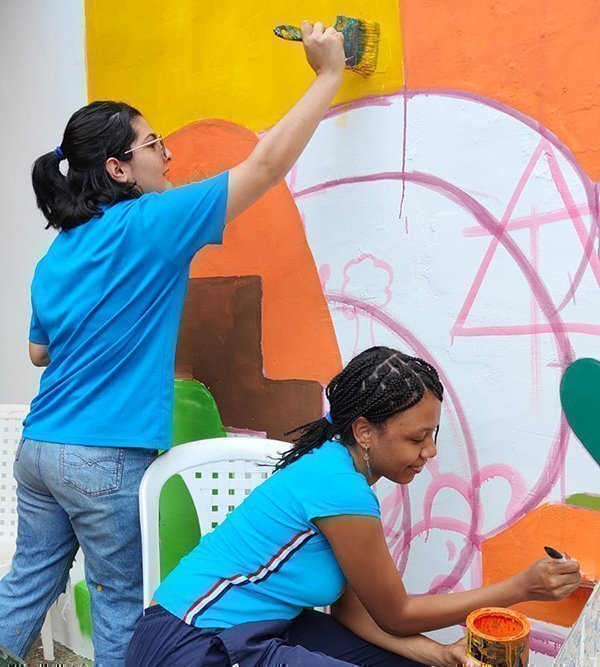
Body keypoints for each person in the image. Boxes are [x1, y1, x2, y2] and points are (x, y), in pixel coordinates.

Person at [0, 21, 347, 667]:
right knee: (120, 601)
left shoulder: (60, 250)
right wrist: (327, 73)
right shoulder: (152, 222)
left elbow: (38, 354)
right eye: (154, 144)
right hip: (102, 456)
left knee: (26, 584)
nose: (168, 156)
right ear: (118, 167)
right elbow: (266, 166)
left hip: (41, 448)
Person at [126, 346, 582, 666]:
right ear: (364, 431)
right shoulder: (340, 489)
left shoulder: (340, 471)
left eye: (433, 435)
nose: (430, 452)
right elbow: (395, 614)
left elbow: (353, 613)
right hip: (196, 643)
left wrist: (440, 654)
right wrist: (522, 587)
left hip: (266, 627)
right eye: (416, 438)